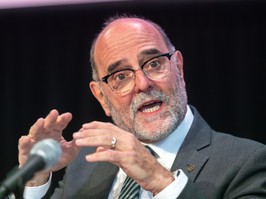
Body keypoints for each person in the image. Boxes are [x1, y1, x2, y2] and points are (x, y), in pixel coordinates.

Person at [18, 14, 266, 199]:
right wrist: (35, 178)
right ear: (102, 97)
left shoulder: (248, 162)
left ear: (178, 68)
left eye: (154, 63)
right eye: (121, 76)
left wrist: (160, 181)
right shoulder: (86, 164)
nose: (143, 83)